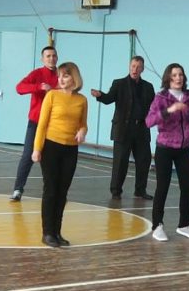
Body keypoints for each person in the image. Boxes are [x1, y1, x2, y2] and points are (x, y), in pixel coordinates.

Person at [145, 63, 189, 242]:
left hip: (184, 148)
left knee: (187, 187)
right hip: (165, 148)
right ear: (168, 78)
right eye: (174, 75)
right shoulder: (161, 97)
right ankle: (157, 226)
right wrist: (169, 110)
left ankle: (184, 225)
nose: (178, 78)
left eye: (180, 75)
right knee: (162, 187)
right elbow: (149, 121)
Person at [31, 62, 87, 248]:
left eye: (66, 75)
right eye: (60, 75)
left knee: (63, 192)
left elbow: (83, 123)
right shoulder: (52, 95)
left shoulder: (81, 100)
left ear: (74, 78)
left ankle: (57, 231)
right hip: (51, 147)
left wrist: (82, 131)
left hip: (70, 149)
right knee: (51, 190)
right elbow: (42, 124)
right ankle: (47, 232)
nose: (61, 79)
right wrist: (37, 149)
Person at [90, 55, 156, 200]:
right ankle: (116, 191)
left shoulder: (148, 87)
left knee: (144, 161)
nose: (135, 69)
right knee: (120, 162)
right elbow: (108, 99)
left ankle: (140, 190)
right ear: (129, 67)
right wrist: (100, 95)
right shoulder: (119, 84)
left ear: (142, 69)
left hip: (141, 129)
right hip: (123, 129)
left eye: (138, 67)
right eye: (133, 66)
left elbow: (155, 105)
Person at [10, 45, 58, 201]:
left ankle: (52, 191)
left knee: (51, 159)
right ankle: (18, 189)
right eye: (48, 56)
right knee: (28, 155)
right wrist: (38, 87)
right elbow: (19, 88)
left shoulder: (61, 75)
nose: (51, 59)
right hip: (36, 122)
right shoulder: (37, 73)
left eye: (54, 56)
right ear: (42, 59)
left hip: (54, 124)